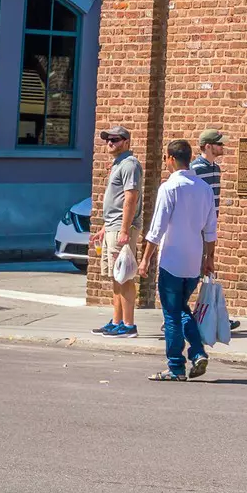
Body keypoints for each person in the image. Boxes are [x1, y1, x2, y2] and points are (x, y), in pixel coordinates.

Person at [142, 138, 218, 381]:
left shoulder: (169, 188)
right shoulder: (204, 188)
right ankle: (197, 351)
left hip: (171, 261)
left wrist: (145, 260)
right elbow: (211, 230)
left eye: (165, 158)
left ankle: (176, 367)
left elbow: (156, 229)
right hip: (193, 260)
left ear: (171, 159)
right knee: (182, 309)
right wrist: (209, 258)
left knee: (172, 315)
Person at [95, 126, 141, 338]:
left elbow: (130, 198)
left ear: (126, 142)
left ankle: (129, 325)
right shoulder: (118, 164)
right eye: (108, 139)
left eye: (115, 139)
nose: (110, 143)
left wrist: (124, 229)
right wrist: (106, 226)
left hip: (122, 229)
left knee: (125, 276)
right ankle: (117, 321)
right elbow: (116, 201)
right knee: (116, 275)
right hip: (113, 226)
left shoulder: (130, 164)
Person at [190, 129, 226, 203]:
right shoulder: (193, 169)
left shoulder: (216, 169)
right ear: (208, 146)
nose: (222, 146)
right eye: (219, 143)